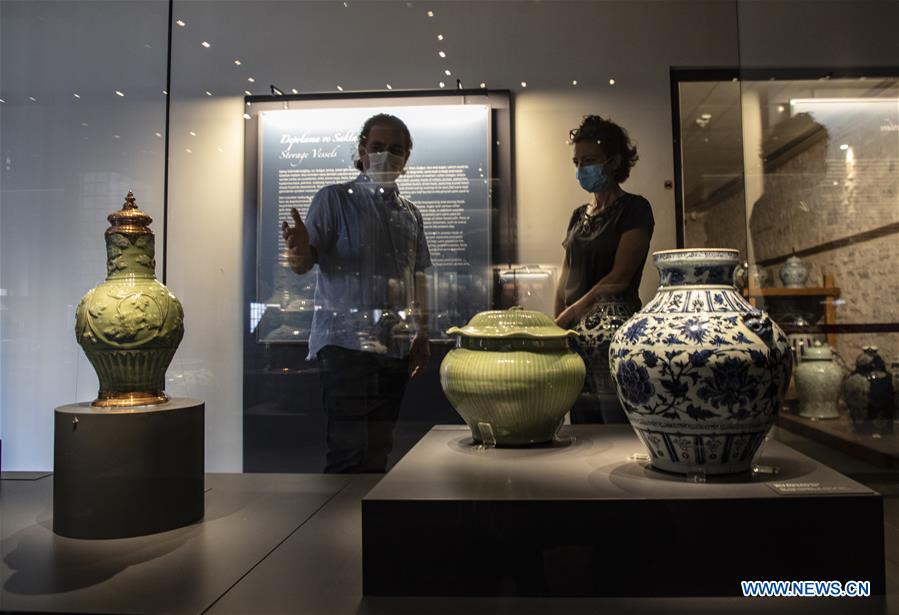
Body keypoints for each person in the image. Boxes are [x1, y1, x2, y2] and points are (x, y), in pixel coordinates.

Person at [281, 113, 431, 473]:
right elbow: (304, 264)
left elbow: (419, 276)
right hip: (346, 347)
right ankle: (339, 529)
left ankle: (367, 527)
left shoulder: (410, 214)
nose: (385, 155)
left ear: (406, 158)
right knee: (348, 453)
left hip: (394, 346)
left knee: (379, 451)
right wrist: (299, 250)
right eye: (377, 147)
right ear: (362, 151)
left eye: (395, 149)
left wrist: (423, 332)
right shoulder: (334, 199)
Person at [555, 115, 654, 424]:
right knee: (583, 423)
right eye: (577, 162)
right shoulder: (577, 215)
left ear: (613, 161)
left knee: (616, 424)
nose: (583, 168)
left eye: (590, 160)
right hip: (574, 335)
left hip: (612, 333)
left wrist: (570, 314)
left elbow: (619, 278)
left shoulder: (635, 208)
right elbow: (565, 272)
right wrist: (556, 324)